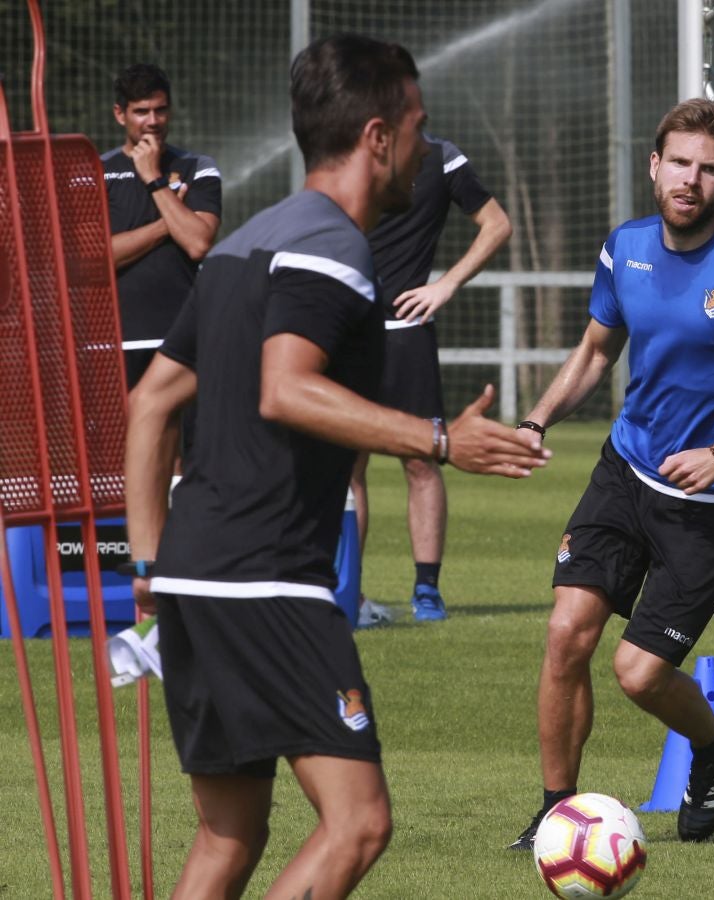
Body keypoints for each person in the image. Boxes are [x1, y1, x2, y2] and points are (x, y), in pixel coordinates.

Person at [123, 35, 549, 898]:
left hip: (193, 575)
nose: (427, 152)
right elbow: (287, 389)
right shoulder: (333, 248)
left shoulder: (246, 241)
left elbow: (150, 404)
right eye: (419, 129)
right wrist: (439, 440)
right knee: (358, 824)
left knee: (226, 836)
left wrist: (147, 564)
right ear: (377, 137)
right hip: (266, 578)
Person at [507, 98, 714, 850]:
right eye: (680, 163)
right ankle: (559, 814)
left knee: (639, 674)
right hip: (625, 469)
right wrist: (536, 419)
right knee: (566, 635)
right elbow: (595, 350)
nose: (692, 180)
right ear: (654, 166)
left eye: (710, 169)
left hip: (711, 502)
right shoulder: (625, 247)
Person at [351, 134, 514, 626]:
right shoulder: (349, 156)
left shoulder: (441, 158)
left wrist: (446, 284)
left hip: (406, 333)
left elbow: (496, 223)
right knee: (345, 469)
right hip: (346, 332)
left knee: (422, 460)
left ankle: (427, 590)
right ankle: (349, 595)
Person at [102, 63, 221, 391]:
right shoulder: (93, 173)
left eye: (160, 110)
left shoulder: (198, 167)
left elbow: (198, 243)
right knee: (120, 442)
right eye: (141, 111)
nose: (152, 121)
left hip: (182, 339)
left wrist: (154, 179)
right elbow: (94, 261)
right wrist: (167, 225)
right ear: (119, 114)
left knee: (190, 442)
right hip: (113, 341)